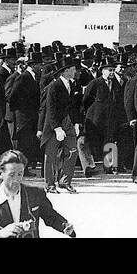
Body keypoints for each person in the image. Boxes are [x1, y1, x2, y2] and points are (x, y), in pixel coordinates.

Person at [0, 148, 76, 238]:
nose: (16, 179)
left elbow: (51, 216)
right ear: (0, 174)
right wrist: (1, 234)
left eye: (20, 174)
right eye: (11, 175)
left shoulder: (36, 193)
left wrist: (65, 226)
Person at [39, 59, 80, 193]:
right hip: (54, 125)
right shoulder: (53, 86)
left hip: (69, 123)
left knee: (72, 151)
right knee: (50, 155)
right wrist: (57, 128)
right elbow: (49, 109)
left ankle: (65, 181)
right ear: (66, 71)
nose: (75, 72)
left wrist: (76, 123)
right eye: (73, 69)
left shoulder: (72, 85)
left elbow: (74, 107)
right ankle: (49, 184)